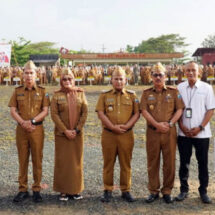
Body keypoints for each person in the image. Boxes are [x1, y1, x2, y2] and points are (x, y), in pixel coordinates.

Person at [140, 62, 184, 204]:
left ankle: (167, 191)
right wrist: (156, 124)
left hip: (169, 132)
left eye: (160, 75)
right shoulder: (146, 93)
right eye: (155, 75)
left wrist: (170, 123)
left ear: (165, 76)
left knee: (169, 162)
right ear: (151, 76)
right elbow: (144, 111)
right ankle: (153, 191)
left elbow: (179, 109)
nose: (158, 77)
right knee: (153, 162)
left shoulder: (173, 92)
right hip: (153, 132)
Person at [95, 66, 140, 203]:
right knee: (108, 163)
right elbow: (101, 113)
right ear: (111, 80)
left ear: (126, 80)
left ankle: (125, 190)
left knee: (125, 163)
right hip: (109, 134)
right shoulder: (104, 95)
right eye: (116, 79)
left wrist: (127, 126)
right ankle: (108, 189)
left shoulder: (132, 96)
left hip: (126, 134)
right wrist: (112, 127)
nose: (119, 81)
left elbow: (137, 113)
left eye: (121, 79)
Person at [8, 60, 50, 203]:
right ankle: (22, 189)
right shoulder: (17, 91)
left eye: (31, 73)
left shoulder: (43, 91)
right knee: (23, 159)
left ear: (36, 74)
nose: (28, 76)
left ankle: (37, 189)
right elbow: (13, 110)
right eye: (26, 73)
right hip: (21, 130)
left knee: (37, 160)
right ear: (22, 74)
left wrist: (31, 122)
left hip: (37, 129)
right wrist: (23, 122)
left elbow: (45, 111)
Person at [175, 61, 215, 204]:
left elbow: (210, 110)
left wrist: (200, 127)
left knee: (202, 162)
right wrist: (181, 125)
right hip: (183, 133)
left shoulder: (206, 88)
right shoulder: (179, 88)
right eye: (188, 70)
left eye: (193, 70)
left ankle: (203, 191)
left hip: (202, 134)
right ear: (184, 72)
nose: (190, 73)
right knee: (184, 162)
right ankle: (183, 190)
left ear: (199, 72)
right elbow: (176, 110)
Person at [50, 68, 88, 201]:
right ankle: (63, 191)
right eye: (64, 79)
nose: (67, 81)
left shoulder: (81, 94)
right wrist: (65, 130)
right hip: (62, 135)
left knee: (76, 162)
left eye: (69, 79)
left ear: (74, 80)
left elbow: (85, 112)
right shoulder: (56, 95)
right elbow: (54, 114)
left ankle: (76, 190)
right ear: (61, 81)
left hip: (77, 135)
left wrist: (76, 130)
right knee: (63, 162)